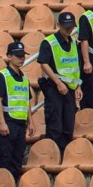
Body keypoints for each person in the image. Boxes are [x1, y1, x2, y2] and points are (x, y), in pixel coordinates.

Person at [36, 12, 83, 149]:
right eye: (66, 26)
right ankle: (53, 156)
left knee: (68, 125)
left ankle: (63, 156)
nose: (69, 29)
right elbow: (43, 63)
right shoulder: (49, 42)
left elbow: (76, 66)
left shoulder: (74, 42)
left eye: (71, 26)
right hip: (55, 89)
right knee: (55, 126)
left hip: (70, 89)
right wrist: (58, 82)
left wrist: (78, 86)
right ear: (58, 25)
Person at [0, 41, 31, 177]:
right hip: (7, 123)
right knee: (4, 158)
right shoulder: (2, 76)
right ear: (9, 57)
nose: (21, 58)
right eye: (18, 56)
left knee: (16, 159)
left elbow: (27, 101)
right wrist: (1, 123)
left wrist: (30, 121)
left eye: (23, 56)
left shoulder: (24, 78)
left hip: (20, 124)